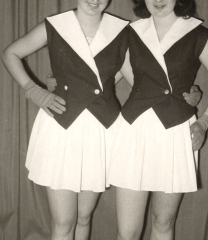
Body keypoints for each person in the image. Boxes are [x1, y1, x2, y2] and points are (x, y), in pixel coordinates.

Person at [1, 0, 131, 239]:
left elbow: (135, 75)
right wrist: (34, 90)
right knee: (63, 222)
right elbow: (10, 53)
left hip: (100, 129)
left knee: (83, 216)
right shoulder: (56, 25)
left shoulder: (121, 29)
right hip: (62, 126)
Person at [107, 0, 208, 240]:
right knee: (127, 232)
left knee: (163, 222)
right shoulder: (131, 32)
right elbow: (112, 79)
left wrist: (204, 121)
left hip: (175, 132)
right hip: (135, 131)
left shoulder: (196, 33)